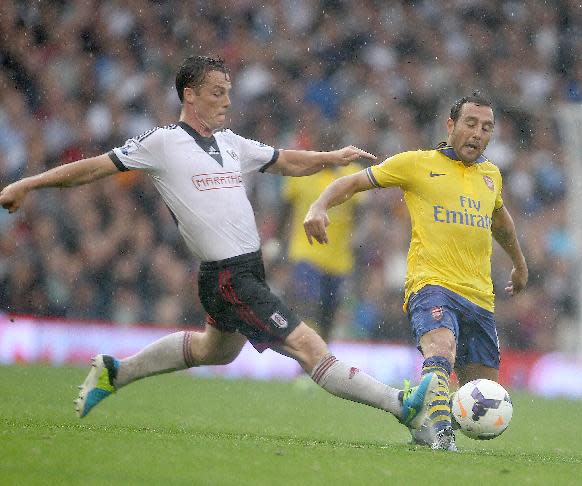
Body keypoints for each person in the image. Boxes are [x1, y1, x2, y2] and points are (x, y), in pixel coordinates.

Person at [0, 55, 437, 432]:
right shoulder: (162, 143)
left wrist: (331, 158)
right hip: (230, 276)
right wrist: (29, 184)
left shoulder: (229, 143)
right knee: (309, 348)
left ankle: (117, 372)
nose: (227, 100)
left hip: (243, 270)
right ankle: (401, 406)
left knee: (216, 350)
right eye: (217, 92)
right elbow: (92, 168)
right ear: (189, 95)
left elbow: (284, 160)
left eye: (228, 91)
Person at [304, 92, 528, 451]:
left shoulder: (491, 176)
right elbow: (354, 181)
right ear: (451, 125)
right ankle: (440, 436)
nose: (478, 133)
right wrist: (319, 204)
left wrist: (519, 264)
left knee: (480, 391)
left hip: (480, 297)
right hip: (431, 284)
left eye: (487, 128)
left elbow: (500, 221)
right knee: (441, 349)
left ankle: (428, 420)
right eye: (471, 124)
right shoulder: (416, 164)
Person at [280, 164, 361, 342]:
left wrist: (358, 238)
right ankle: (305, 353)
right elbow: (285, 210)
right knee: (309, 305)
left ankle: (321, 358)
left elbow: (361, 212)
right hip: (306, 252)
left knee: (328, 315)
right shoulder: (301, 172)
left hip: (338, 260)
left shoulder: (351, 175)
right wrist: (278, 242)